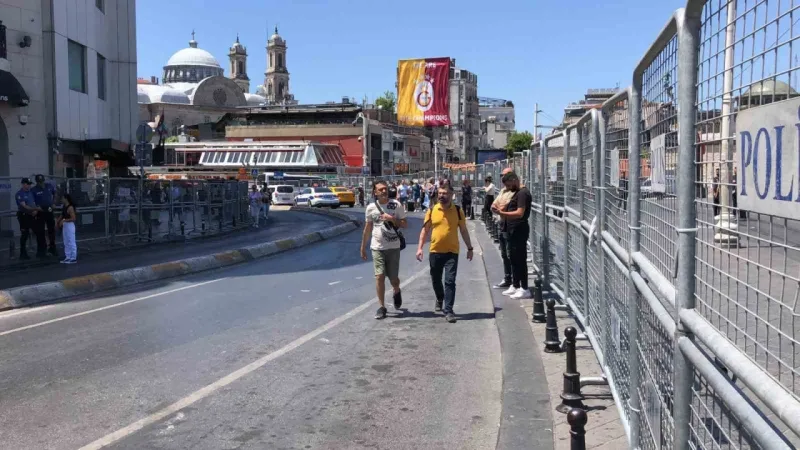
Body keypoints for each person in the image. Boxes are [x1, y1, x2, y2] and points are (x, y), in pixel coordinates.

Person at [416, 183, 474, 323]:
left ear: (451, 194)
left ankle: (448, 310)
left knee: (450, 281)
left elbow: (464, 230)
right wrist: (419, 248)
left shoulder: (458, 211)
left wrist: (470, 248)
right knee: (436, 279)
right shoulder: (431, 210)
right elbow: (425, 230)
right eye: (440, 193)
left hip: (452, 252)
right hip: (435, 251)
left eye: (445, 193)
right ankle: (440, 297)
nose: (442, 195)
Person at [360, 180, 408, 320]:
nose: (383, 191)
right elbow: (368, 228)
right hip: (377, 247)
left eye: (385, 189)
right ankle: (382, 307)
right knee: (379, 276)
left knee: (394, 279)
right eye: (380, 189)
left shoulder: (396, 205)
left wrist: (392, 219)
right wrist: (363, 247)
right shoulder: (370, 208)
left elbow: (404, 224)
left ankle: (396, 290)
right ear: (375, 192)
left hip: (393, 248)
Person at [492, 171, 533, 299]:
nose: (509, 189)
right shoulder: (516, 192)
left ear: (515, 180)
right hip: (511, 229)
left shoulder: (523, 193)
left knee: (520, 259)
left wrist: (502, 214)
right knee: (513, 259)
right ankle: (515, 285)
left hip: (519, 229)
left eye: (509, 185)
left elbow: (520, 212)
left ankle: (524, 287)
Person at [31, 174, 58, 256]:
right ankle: (42, 249)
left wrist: (54, 202)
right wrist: (35, 207)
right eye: (39, 182)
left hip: (49, 209)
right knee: (40, 231)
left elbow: (55, 194)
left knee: (51, 229)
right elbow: (31, 201)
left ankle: (52, 248)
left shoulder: (49, 186)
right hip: (40, 210)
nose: (41, 183)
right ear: (37, 182)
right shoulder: (33, 190)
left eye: (42, 181)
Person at [15, 178, 39, 260]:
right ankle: (23, 253)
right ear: (23, 184)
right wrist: (33, 210)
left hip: (32, 215)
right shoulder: (19, 194)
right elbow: (24, 205)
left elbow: (34, 203)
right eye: (27, 184)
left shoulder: (31, 193)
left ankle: (40, 251)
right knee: (24, 234)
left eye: (29, 184)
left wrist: (36, 210)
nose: (29, 185)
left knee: (37, 231)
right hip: (24, 215)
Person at [57, 193, 78, 263]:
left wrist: (64, 220)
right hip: (65, 225)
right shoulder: (64, 206)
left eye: (62, 198)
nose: (61, 199)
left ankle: (73, 257)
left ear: (66, 199)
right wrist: (58, 221)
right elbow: (62, 214)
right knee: (66, 241)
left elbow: (73, 218)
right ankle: (68, 256)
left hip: (69, 225)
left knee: (71, 241)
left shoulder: (70, 207)